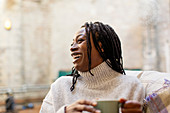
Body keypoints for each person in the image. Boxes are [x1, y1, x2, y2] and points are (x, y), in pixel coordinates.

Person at [40, 22, 145, 113]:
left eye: (80, 41)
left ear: (101, 46)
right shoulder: (61, 87)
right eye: (72, 43)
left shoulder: (131, 85)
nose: (72, 48)